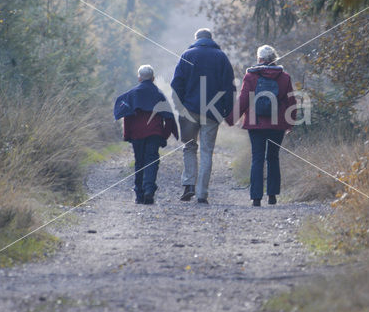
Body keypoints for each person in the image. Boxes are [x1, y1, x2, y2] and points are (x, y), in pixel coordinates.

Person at [226, 45, 297, 207]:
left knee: (257, 158)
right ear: (274, 58)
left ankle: (256, 198)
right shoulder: (284, 77)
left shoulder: (251, 76)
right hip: (277, 124)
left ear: (259, 59)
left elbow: (243, 100)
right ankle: (272, 196)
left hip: (255, 124)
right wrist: (290, 123)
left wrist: (231, 119)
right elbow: (291, 102)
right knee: (273, 158)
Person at [171, 28, 235, 204]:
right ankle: (201, 194)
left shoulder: (187, 55)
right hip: (212, 113)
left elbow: (176, 84)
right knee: (207, 151)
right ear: (211, 39)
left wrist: (181, 106)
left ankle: (189, 184)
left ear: (196, 39)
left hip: (189, 110)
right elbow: (229, 87)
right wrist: (226, 110)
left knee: (189, 147)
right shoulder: (221, 57)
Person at [114, 65, 178, 205]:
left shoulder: (131, 95)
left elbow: (127, 116)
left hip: (137, 135)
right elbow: (169, 118)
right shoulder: (159, 95)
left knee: (139, 163)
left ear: (139, 78)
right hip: (154, 133)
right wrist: (164, 135)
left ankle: (139, 195)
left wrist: (127, 135)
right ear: (153, 79)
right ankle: (149, 189)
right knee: (152, 161)